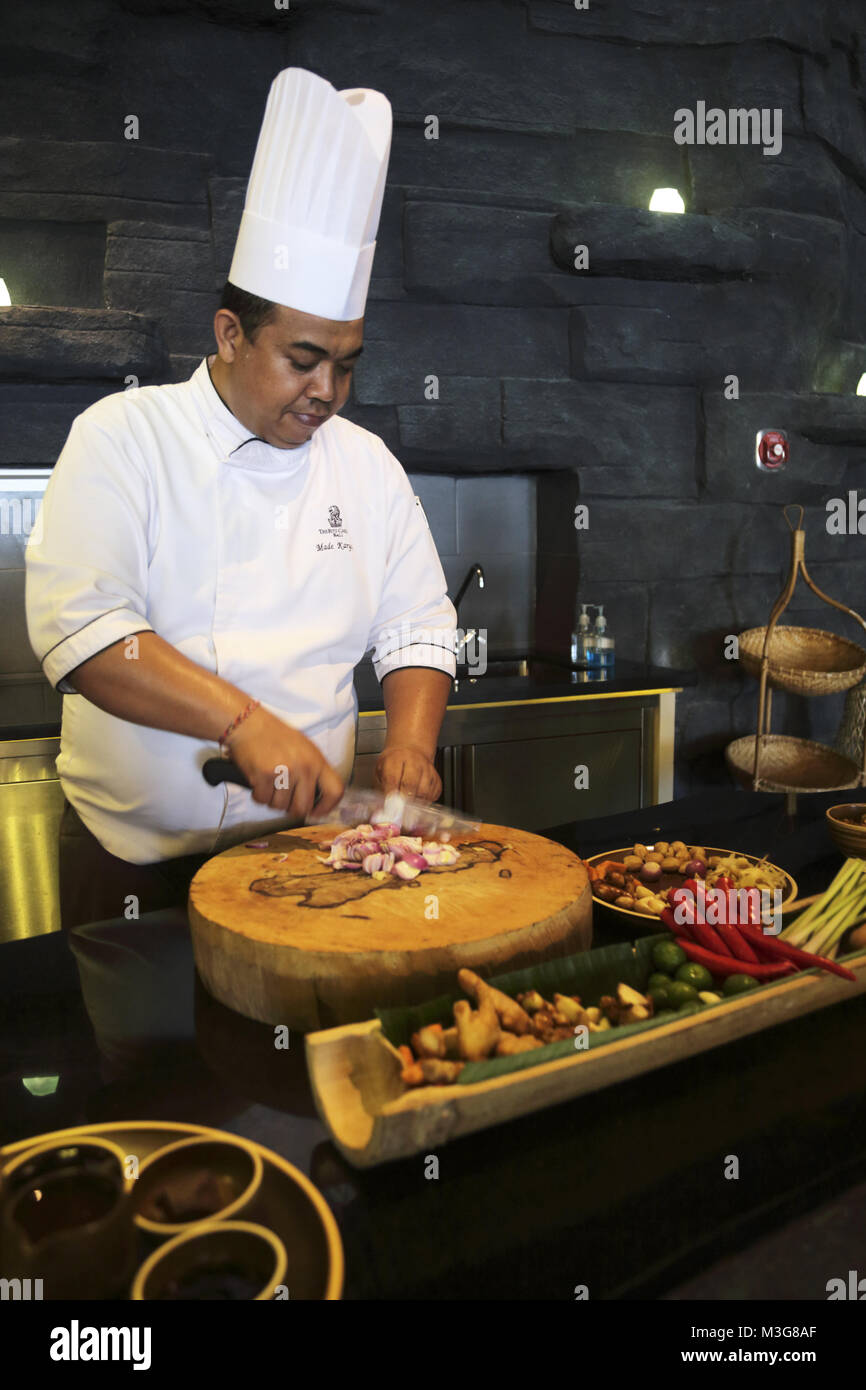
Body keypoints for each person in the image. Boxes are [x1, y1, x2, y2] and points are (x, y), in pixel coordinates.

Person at [25, 68, 457, 931]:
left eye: (347, 362)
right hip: (131, 877)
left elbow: (417, 625)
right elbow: (88, 634)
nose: (329, 389)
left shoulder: (366, 467)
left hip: (306, 866)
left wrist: (409, 748)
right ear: (230, 335)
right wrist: (244, 724)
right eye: (303, 360)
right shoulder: (122, 436)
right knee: (143, 1066)